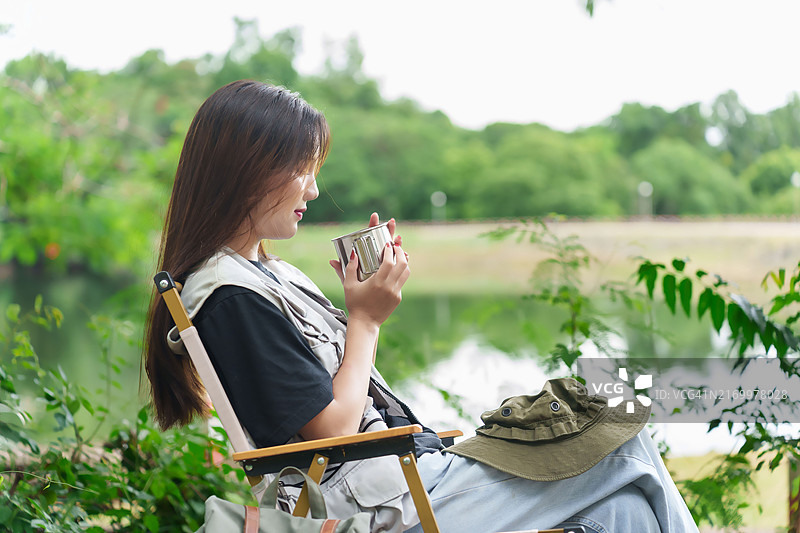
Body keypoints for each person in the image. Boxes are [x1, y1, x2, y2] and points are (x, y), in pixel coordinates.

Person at [143, 80, 698, 533]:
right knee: (622, 442)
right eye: (302, 169)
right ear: (248, 171)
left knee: (625, 512)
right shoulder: (228, 296)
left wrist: (363, 314)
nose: (312, 190)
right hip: (383, 508)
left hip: (412, 477)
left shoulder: (264, 275)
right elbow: (331, 429)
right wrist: (363, 320)